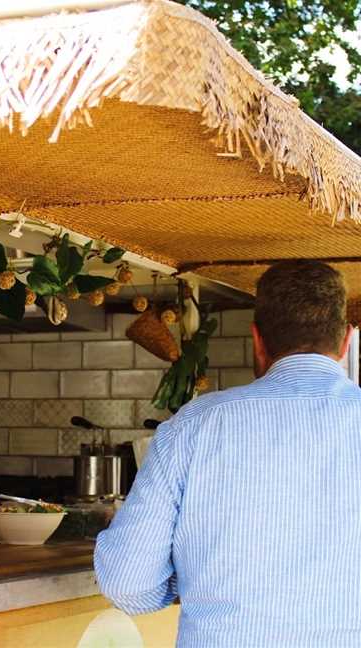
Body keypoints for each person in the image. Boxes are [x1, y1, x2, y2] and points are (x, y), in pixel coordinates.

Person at [94, 259, 361, 647]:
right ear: (347, 341)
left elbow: (127, 583)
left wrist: (188, 575)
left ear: (257, 340)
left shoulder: (195, 427)